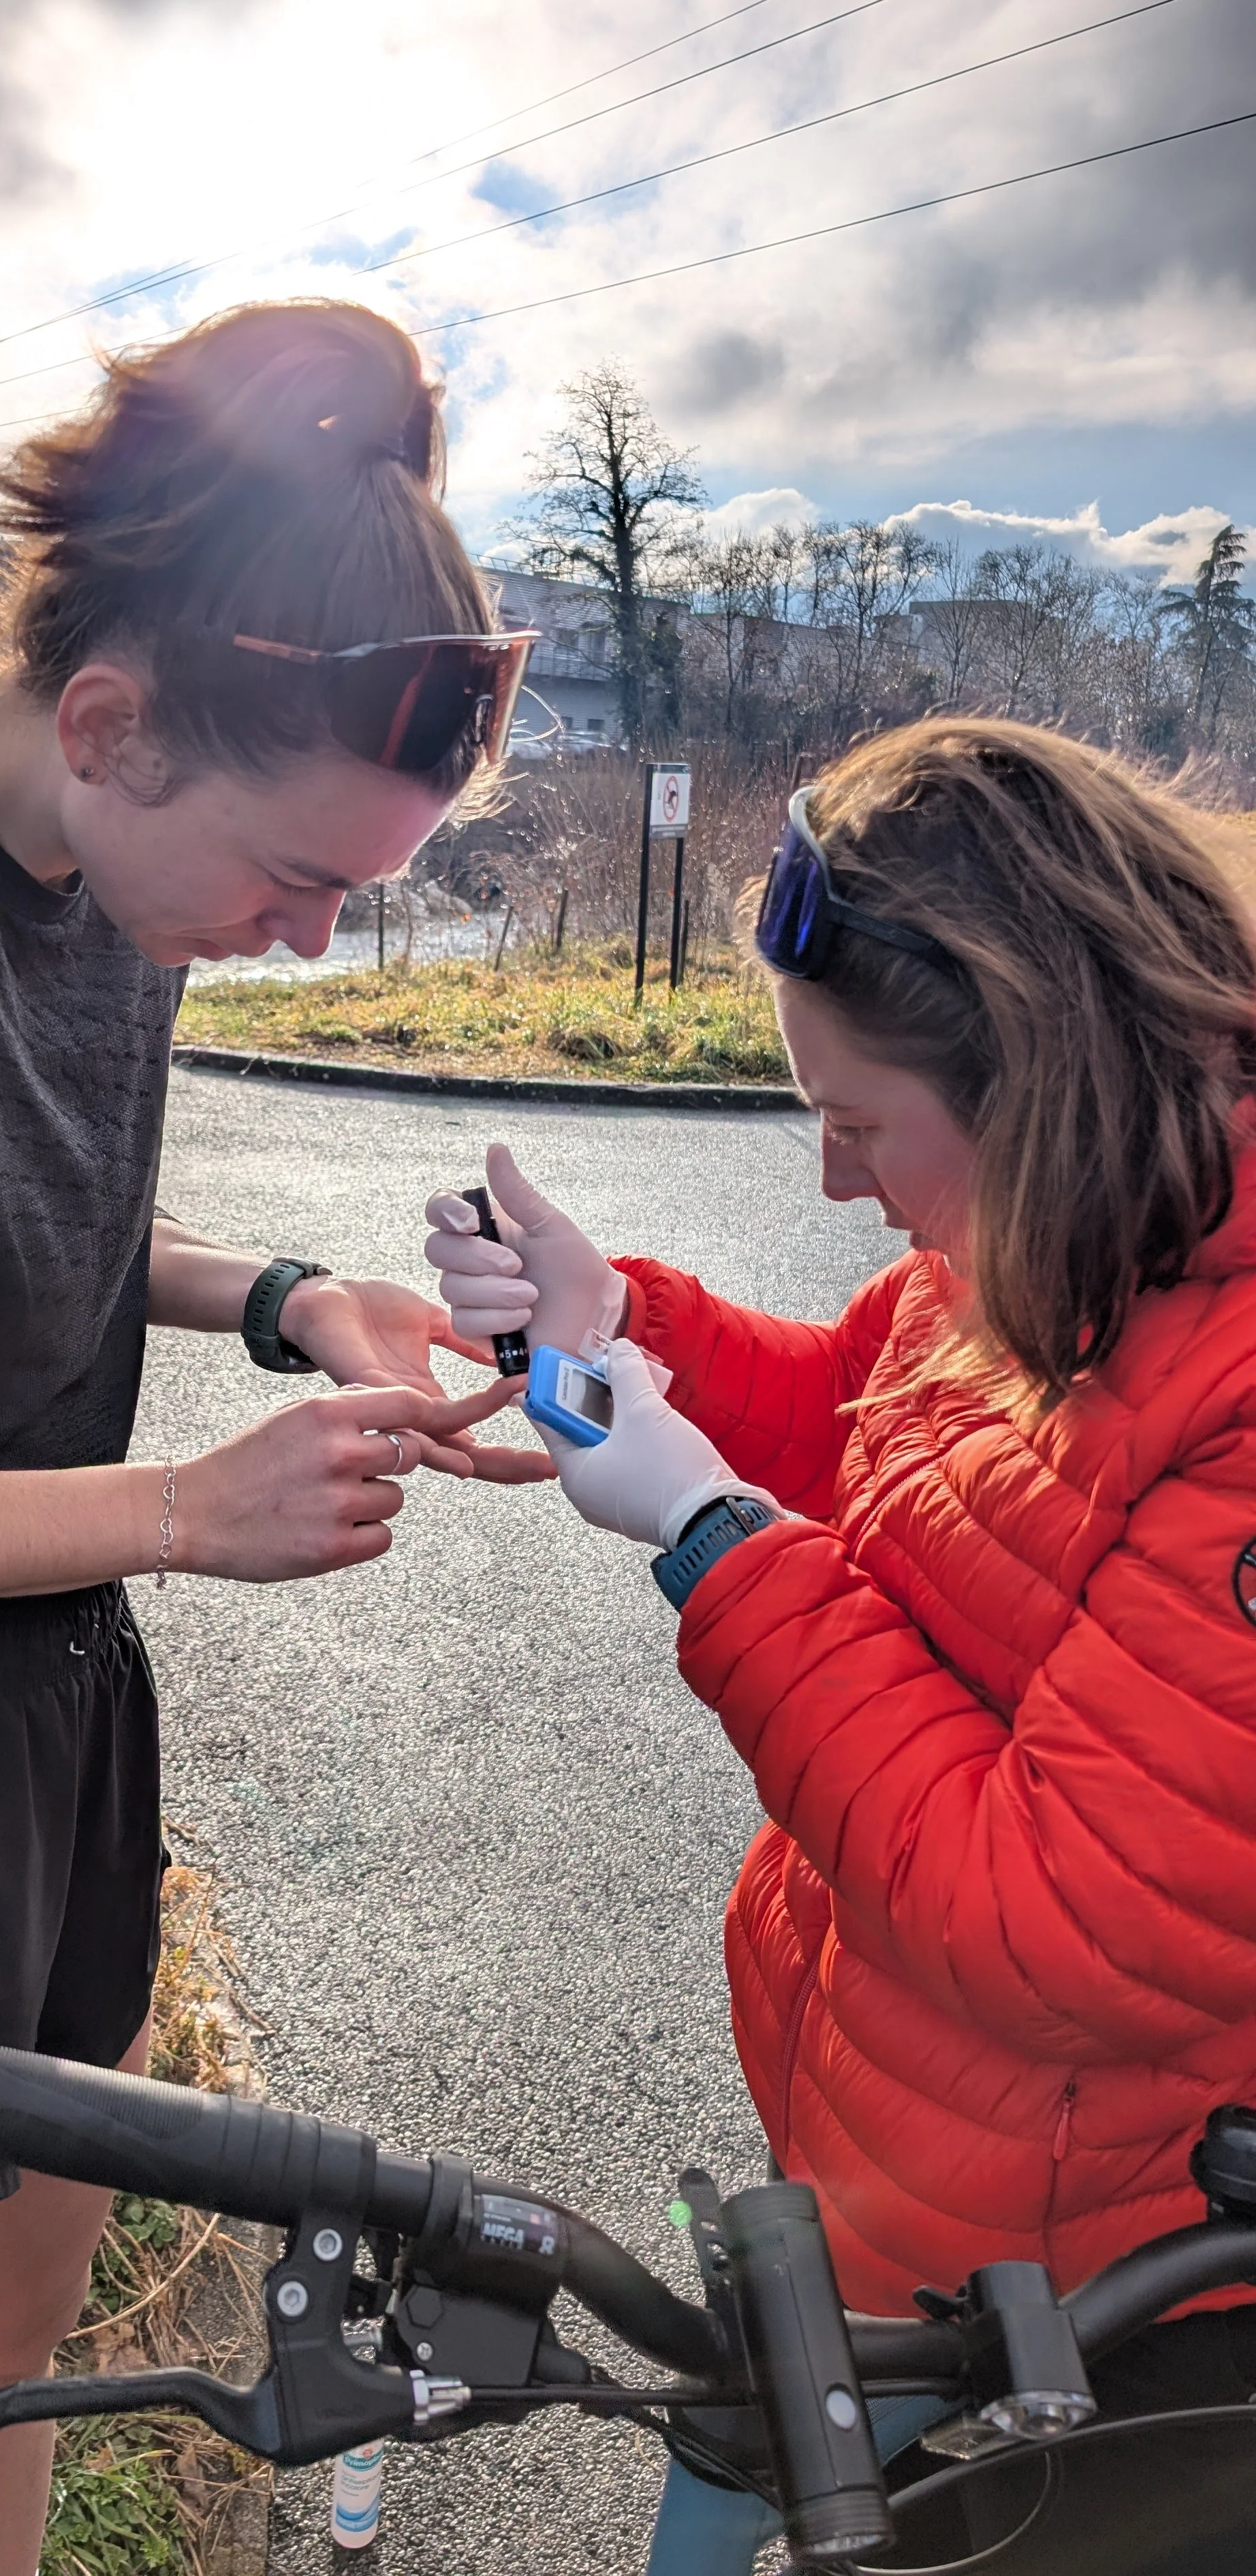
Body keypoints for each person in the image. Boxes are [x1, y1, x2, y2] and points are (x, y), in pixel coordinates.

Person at [0, 298, 552, 2576]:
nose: (311, 941)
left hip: (45, 1733)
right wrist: (178, 1509)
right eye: (299, 877)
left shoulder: (107, 866)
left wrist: (284, 1297)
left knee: (13, 2379)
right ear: (107, 720)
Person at [426, 717, 1256, 2569]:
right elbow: (872, 1428)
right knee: (726, 2473)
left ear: (1040, 1082)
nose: (828, 1182)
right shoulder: (1064, 1217)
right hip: (909, 2159)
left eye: (858, 1124)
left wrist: (707, 1535)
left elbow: (1044, 1916)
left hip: (1095, 2267)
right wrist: (616, 1323)